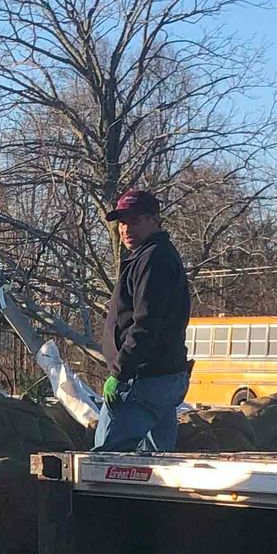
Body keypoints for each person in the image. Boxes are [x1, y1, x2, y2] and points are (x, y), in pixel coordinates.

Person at [94, 188, 193, 452]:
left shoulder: (153, 259)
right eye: (122, 223)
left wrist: (120, 372)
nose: (126, 229)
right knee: (156, 463)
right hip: (164, 376)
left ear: (154, 220)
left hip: (143, 380)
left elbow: (146, 324)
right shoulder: (151, 256)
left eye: (134, 221)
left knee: (106, 461)